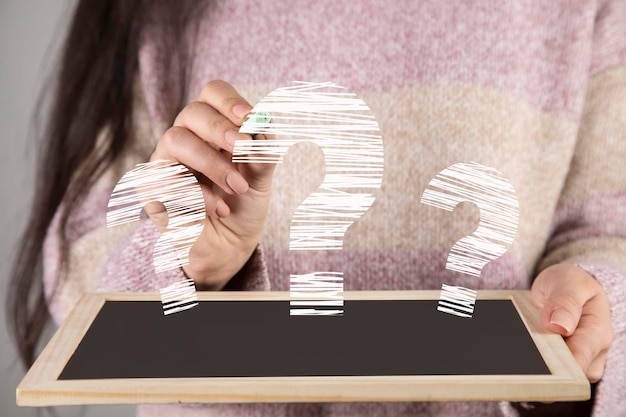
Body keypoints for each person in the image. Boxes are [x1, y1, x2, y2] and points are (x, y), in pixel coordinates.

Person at [7, 0, 625, 416]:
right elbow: (83, 254)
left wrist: (588, 315)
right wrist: (191, 263)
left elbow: (608, 228)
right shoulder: (159, 16)